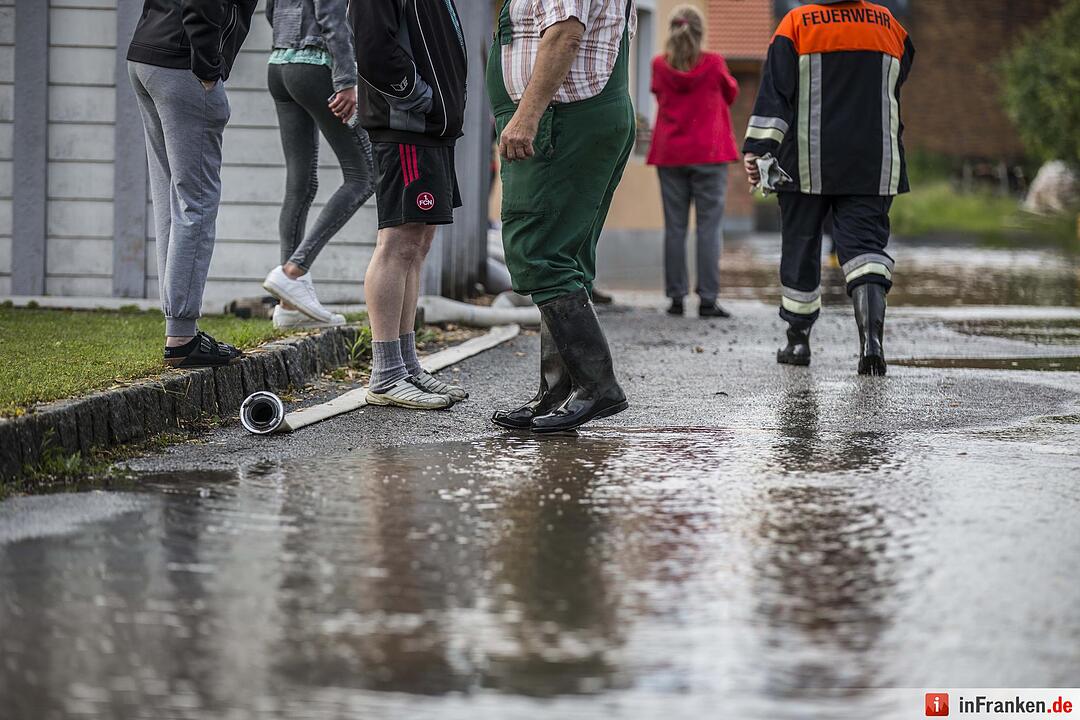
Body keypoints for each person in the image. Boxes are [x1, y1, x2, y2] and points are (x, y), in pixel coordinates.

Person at [488, 0, 637, 434]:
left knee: (537, 250)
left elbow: (564, 34)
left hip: (562, 118)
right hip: (576, 115)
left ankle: (596, 385)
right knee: (564, 256)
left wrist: (527, 116)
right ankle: (559, 391)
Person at [743, 0, 914, 375]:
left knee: (801, 247)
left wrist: (759, 149)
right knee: (866, 249)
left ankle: (798, 342)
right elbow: (902, 75)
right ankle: (871, 342)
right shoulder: (887, 24)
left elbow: (775, 93)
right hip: (872, 161)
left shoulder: (797, 24)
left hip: (805, 164)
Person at [351, 0, 469, 410]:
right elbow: (373, 49)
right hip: (406, 128)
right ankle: (385, 376)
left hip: (432, 130)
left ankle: (406, 365)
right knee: (398, 243)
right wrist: (420, 97)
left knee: (418, 246)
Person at [127, 0, 258, 368]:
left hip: (149, 55)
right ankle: (182, 337)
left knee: (173, 197)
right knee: (195, 201)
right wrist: (206, 66)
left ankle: (179, 327)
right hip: (182, 62)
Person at [260, 0, 376, 329]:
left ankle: (289, 306)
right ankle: (292, 272)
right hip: (315, 63)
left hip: (280, 63)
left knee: (300, 182)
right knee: (364, 176)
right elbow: (332, 16)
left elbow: (271, 10)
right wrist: (345, 80)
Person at [648, 5, 739, 319]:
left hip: (671, 154)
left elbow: (659, 95)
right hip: (709, 154)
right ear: (700, 32)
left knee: (674, 228)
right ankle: (708, 300)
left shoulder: (659, 65)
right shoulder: (713, 63)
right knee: (708, 229)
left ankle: (675, 299)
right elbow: (731, 93)